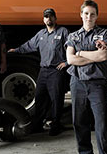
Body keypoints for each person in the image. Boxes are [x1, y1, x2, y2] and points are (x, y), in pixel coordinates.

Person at [65, 0, 107, 154]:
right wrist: (91, 57)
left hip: (97, 84)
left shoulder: (104, 33)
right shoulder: (73, 36)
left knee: (102, 124)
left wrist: (81, 53)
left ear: (97, 16)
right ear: (81, 14)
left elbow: (104, 55)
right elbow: (71, 60)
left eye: (93, 14)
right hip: (77, 83)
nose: (89, 17)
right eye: (86, 13)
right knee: (79, 122)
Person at [8, 8, 69, 136]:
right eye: (46, 17)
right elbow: (29, 45)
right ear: (43, 19)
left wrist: (67, 62)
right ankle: (38, 124)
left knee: (56, 99)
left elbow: (72, 48)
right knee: (40, 98)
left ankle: (56, 125)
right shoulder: (41, 34)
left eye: (51, 16)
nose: (49, 19)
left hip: (56, 71)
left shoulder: (63, 32)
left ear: (55, 18)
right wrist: (16, 50)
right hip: (43, 71)